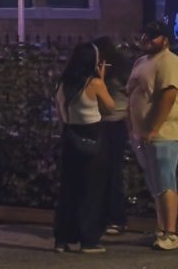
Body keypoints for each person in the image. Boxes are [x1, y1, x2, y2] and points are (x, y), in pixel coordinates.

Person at [52, 41, 115, 253]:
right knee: (92, 189)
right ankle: (89, 239)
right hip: (93, 135)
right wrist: (102, 80)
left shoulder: (63, 83)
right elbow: (109, 107)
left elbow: (60, 113)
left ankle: (62, 238)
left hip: (70, 136)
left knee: (69, 188)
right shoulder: (94, 83)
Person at [127, 20, 178, 249]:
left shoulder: (169, 62)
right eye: (145, 34)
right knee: (155, 183)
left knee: (166, 182)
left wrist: (154, 127)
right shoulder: (142, 61)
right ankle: (160, 229)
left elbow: (169, 94)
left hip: (163, 134)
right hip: (142, 135)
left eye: (153, 36)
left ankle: (171, 233)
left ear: (165, 40)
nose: (146, 39)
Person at [93, 35, 133, 236]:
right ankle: (109, 217)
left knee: (113, 172)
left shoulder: (117, 70)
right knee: (107, 172)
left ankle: (115, 217)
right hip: (109, 122)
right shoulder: (116, 69)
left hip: (113, 122)